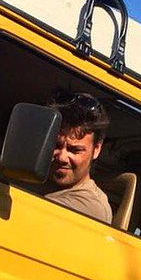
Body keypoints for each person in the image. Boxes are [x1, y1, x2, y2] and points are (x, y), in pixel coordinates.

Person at [38, 91, 113, 224]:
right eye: (56, 145)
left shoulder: (90, 206)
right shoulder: (38, 177)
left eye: (75, 150)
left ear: (96, 149)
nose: (62, 157)